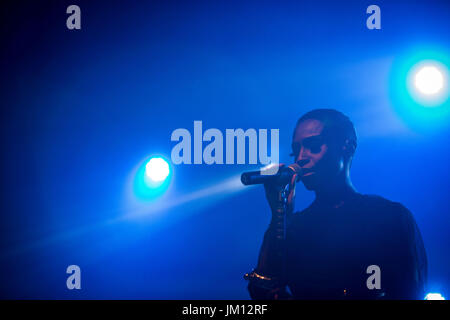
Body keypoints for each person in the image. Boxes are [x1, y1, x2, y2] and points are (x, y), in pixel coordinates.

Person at [246, 109, 427, 300]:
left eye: (313, 146)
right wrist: (278, 215)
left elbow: (410, 292)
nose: (300, 158)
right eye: (296, 150)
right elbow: (262, 294)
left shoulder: (390, 217)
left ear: (347, 147)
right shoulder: (295, 228)